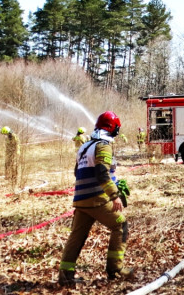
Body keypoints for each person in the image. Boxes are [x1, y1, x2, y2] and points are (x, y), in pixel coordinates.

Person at [58, 111, 131, 285]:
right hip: (97, 200)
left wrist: (114, 181)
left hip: (81, 200)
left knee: (77, 236)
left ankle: (65, 275)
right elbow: (101, 172)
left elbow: (78, 172)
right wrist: (114, 195)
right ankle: (115, 270)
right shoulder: (103, 145)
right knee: (121, 225)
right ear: (113, 128)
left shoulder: (85, 146)